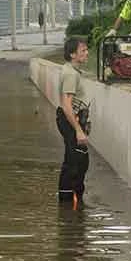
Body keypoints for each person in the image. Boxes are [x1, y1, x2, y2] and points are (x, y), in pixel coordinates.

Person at [56, 36, 90, 208]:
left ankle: (75, 201)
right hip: (71, 120)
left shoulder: (72, 71)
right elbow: (66, 105)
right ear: (72, 54)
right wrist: (78, 130)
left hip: (74, 119)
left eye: (86, 49)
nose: (87, 53)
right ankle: (68, 206)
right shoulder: (70, 74)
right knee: (74, 163)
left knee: (80, 161)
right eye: (82, 51)